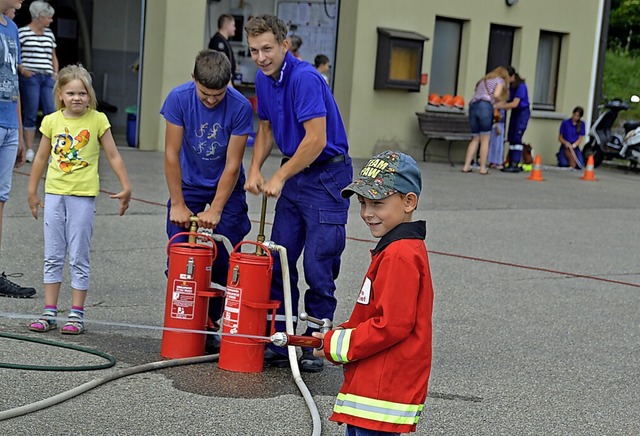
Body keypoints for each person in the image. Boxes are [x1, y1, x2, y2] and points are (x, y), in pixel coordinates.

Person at [244, 14, 352, 372]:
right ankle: (281, 338)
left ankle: (314, 343)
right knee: (280, 257)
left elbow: (316, 139)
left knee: (319, 264)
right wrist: (256, 167)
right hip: (296, 171)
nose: (261, 57)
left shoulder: (305, 77)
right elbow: (266, 129)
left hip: (326, 174)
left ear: (284, 45)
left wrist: (280, 176)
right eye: (254, 50)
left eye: (267, 49)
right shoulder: (263, 78)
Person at [312, 150, 434, 435]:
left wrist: (335, 345)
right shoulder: (394, 249)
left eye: (377, 204)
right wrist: (333, 338)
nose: (367, 213)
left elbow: (391, 325)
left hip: (382, 388)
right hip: (374, 384)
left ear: (409, 202)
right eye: (363, 203)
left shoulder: (399, 255)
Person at [26, 64, 131, 334]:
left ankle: (76, 313)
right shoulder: (51, 121)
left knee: (79, 255)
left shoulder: (98, 120)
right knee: (53, 255)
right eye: (71, 93)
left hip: (82, 197)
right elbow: (40, 157)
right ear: (60, 93)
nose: (77, 98)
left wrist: (126, 186)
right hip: (55, 194)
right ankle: (49, 311)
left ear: (89, 95)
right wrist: (32, 191)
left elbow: (113, 155)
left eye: (82, 93)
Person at [161, 49, 253, 351]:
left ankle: (213, 320)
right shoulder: (178, 98)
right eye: (205, 94)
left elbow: (232, 163)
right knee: (180, 252)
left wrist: (216, 208)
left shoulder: (239, 106)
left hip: (225, 187)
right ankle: (184, 321)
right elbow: (172, 153)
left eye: (218, 95)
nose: (211, 100)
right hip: (188, 183)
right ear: (193, 79)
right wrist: (177, 202)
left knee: (226, 255)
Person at [0, 0, 36, 299]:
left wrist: (23, 134)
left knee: (0, 200)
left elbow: (14, 83)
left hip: (10, 125)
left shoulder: (11, 27)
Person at [18, 0, 58, 163]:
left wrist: (55, 72)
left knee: (51, 112)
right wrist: (23, 71)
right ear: (39, 17)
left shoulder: (49, 34)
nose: (51, 20)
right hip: (31, 77)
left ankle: (51, 151)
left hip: (47, 77)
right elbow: (16, 55)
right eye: (48, 17)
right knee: (31, 112)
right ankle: (29, 149)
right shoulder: (22, 32)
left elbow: (53, 55)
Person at [461, 66, 510, 175]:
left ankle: (466, 166)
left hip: (473, 106)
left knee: (475, 138)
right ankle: (483, 168)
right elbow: (496, 95)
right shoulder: (500, 81)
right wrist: (503, 99)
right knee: (485, 138)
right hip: (485, 107)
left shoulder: (484, 80)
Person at [501, 66, 531, 173]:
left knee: (517, 136)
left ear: (512, 76)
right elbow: (506, 100)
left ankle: (515, 162)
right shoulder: (511, 87)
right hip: (515, 112)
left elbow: (514, 103)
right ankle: (510, 161)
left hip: (522, 112)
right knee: (511, 136)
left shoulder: (521, 87)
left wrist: (499, 107)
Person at [208, 14, 236, 82]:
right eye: (233, 25)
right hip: (221, 81)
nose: (234, 28)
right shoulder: (217, 41)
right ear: (227, 26)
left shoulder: (225, 41)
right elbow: (220, 65)